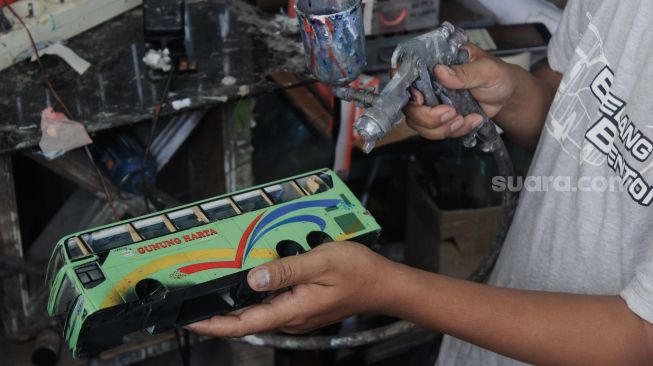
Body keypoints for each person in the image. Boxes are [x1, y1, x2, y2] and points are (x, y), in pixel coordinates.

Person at [187, 1, 653, 364]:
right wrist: (509, 92)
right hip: (494, 334)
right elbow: (572, 108)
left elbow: (638, 342)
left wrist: (387, 289)